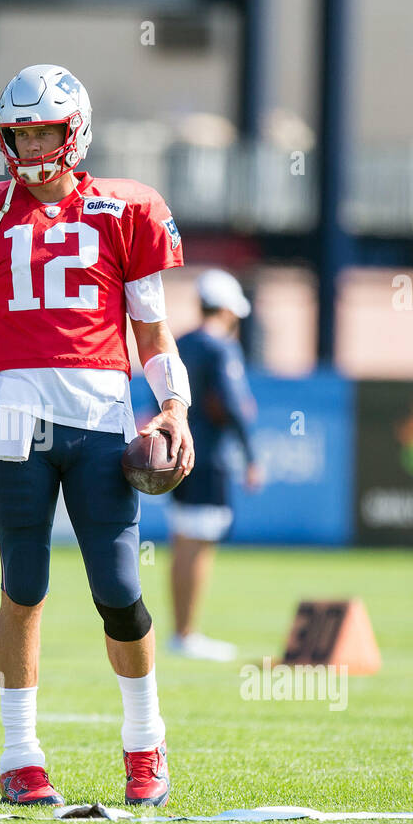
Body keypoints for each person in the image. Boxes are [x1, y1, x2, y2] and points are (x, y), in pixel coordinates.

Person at [0, 65, 193, 807]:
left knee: (120, 589)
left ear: (76, 132)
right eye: (22, 132)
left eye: (45, 130)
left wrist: (174, 408)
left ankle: (145, 741)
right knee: (24, 585)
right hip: (14, 417)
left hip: (103, 416)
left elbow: (152, 328)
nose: (34, 145)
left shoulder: (126, 209)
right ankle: (19, 753)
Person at [167, 269, 263, 660]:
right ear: (224, 309)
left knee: (183, 542)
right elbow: (234, 405)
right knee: (200, 543)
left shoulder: (181, 342)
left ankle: (181, 631)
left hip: (180, 455)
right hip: (210, 458)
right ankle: (187, 633)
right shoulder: (220, 347)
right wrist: (251, 457)